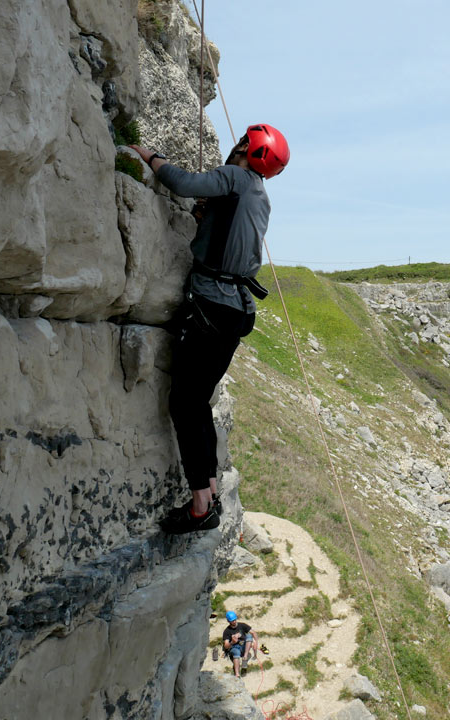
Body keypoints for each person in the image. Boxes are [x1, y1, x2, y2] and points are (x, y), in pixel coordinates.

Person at [129, 123, 290, 534]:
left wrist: (150, 156)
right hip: (235, 311)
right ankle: (211, 492)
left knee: (184, 402)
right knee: (197, 402)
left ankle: (200, 504)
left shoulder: (235, 178)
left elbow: (182, 183)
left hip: (213, 306)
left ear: (244, 149)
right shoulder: (258, 195)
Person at [221, 610, 259, 678]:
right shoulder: (227, 631)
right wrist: (232, 642)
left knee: (249, 636)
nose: (234, 621)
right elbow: (226, 646)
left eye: (235, 620)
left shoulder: (242, 625)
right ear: (229, 621)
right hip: (234, 647)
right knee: (236, 652)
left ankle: (245, 657)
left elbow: (253, 633)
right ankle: (237, 674)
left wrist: (255, 642)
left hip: (244, 646)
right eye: (232, 621)